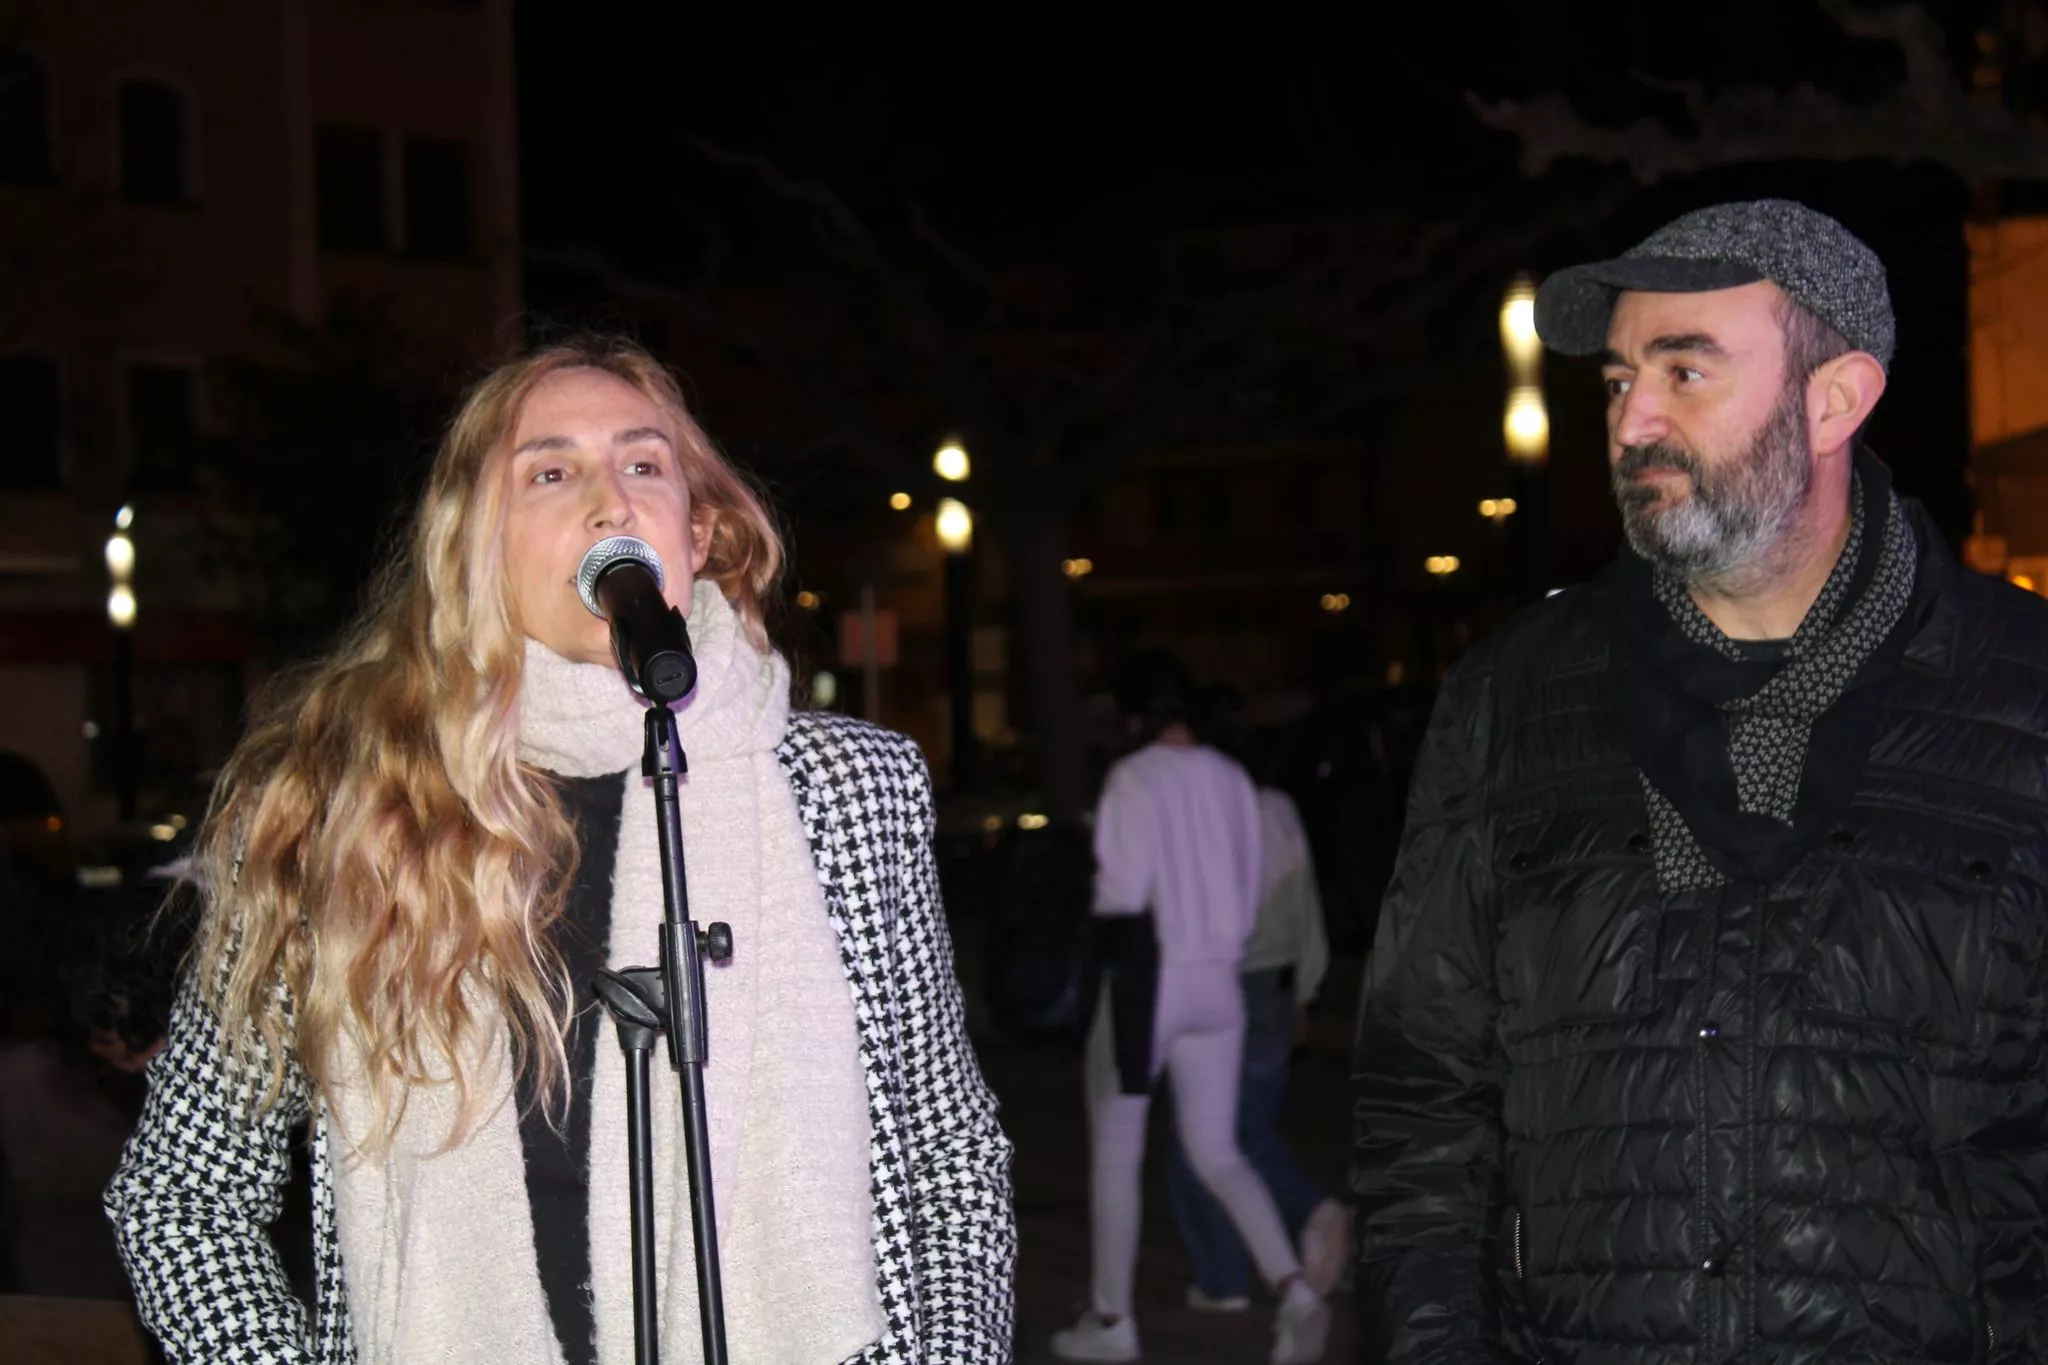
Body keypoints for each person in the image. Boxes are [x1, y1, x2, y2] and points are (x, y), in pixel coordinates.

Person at [103, 337, 1016, 1364]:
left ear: (698, 529)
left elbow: (947, 1154)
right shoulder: (338, 815)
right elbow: (182, 1195)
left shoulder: (848, 791)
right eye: (550, 473)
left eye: (643, 464)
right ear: (475, 540)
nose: (609, 502)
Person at [1352, 198, 2048, 1362]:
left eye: (1683, 372)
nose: (1631, 422)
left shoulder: (2018, 694)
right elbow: (1422, 1109)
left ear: (1832, 401)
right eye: (1618, 380)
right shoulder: (1510, 699)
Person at [1052, 651, 1330, 1364]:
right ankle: (1297, 1292)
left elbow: (1121, 895)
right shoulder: (1233, 777)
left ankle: (1112, 1320)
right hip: (1222, 982)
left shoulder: (1134, 777)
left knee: (1117, 1154)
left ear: (1133, 714)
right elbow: (1249, 885)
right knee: (1218, 1150)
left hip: (1150, 979)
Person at [1164, 755, 1350, 1312]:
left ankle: (1233, 1271)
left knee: (1204, 1140)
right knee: (1241, 1129)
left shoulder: (1195, 813)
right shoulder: (1278, 812)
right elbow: (1304, 905)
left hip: (1219, 984)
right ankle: (1237, 1269)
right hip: (1275, 985)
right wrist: (1304, 990)